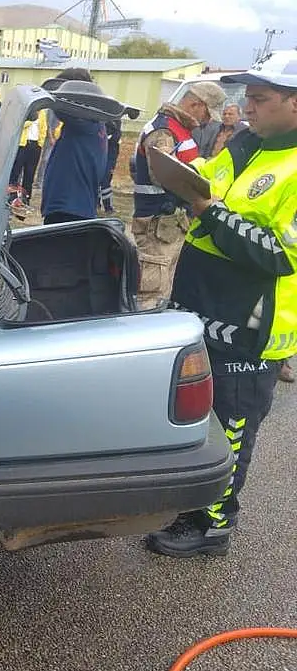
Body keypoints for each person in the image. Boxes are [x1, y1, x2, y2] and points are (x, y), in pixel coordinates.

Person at [146, 49, 297, 557]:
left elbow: (280, 254)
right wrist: (171, 171)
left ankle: (212, 526)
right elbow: (205, 179)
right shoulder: (248, 143)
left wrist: (208, 212)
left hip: (249, 326)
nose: (246, 107)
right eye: (246, 97)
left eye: (260, 98)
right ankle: (191, 503)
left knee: (232, 425)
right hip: (201, 308)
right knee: (195, 416)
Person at [129, 81, 226, 307]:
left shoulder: (179, 129)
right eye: (207, 114)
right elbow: (164, 174)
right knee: (151, 293)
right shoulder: (164, 131)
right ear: (195, 105)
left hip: (170, 223)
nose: (207, 120)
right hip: (158, 222)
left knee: (164, 288)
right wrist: (203, 194)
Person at [40, 68, 106, 225]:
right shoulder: (95, 122)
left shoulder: (85, 123)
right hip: (75, 206)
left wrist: (55, 93)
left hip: (68, 208)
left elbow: (60, 107)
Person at [8, 108, 48, 207]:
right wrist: (30, 120)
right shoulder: (25, 110)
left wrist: (40, 143)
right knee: (16, 171)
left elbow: (44, 128)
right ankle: (12, 197)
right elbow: (18, 125)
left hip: (35, 146)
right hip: (22, 145)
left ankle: (26, 198)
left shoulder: (42, 113)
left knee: (30, 174)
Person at [99, 118, 122, 214]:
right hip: (106, 155)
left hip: (108, 156)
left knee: (103, 181)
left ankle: (104, 207)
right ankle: (106, 208)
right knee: (103, 181)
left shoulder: (115, 130)